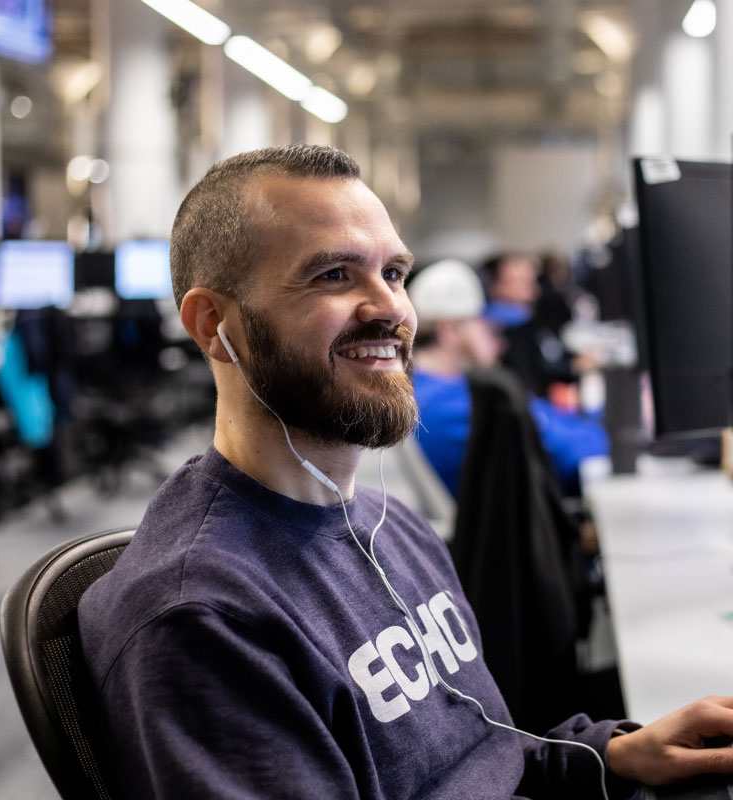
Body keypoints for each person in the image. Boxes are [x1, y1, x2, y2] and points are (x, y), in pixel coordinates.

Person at [78, 144, 733, 799]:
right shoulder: (205, 619)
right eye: (334, 274)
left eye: (393, 272)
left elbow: (486, 762)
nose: (390, 308)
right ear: (213, 325)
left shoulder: (392, 526)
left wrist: (612, 756)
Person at [409, 258, 609, 497]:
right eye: (490, 331)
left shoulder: (455, 388)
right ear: (450, 330)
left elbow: (542, 418)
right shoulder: (447, 407)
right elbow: (569, 455)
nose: (502, 345)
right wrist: (619, 437)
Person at [481, 251, 598, 399]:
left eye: (531, 280)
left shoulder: (530, 318)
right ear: (498, 286)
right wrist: (572, 366)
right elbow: (534, 377)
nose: (532, 287)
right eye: (521, 281)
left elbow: (550, 352)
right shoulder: (500, 330)